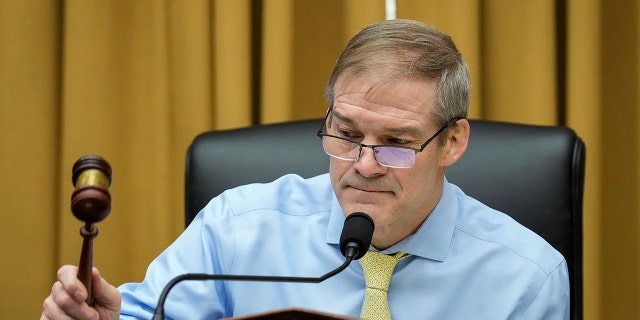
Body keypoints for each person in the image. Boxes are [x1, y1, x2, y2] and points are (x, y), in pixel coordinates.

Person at [42, 19, 569, 319]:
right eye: (346, 132)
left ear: (452, 141)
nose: (363, 164)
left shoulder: (527, 276)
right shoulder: (235, 228)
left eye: (395, 143)